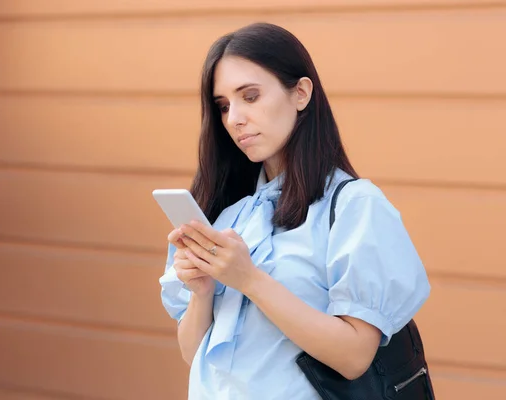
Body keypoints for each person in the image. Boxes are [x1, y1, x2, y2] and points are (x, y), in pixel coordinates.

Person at [158, 22, 431, 399]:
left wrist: (249, 279)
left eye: (250, 96)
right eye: (223, 106)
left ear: (300, 93)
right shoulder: (230, 216)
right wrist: (203, 291)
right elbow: (196, 357)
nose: (234, 118)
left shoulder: (356, 206)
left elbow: (354, 356)